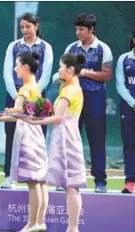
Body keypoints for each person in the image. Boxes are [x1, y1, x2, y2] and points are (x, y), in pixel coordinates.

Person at [0, 52, 48, 232]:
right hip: (37, 134)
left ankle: (32, 224)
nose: (15, 68)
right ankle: (39, 222)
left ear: (25, 67)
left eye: (17, 65)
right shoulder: (36, 87)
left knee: (33, 183)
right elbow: (25, 113)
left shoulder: (24, 90)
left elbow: (16, 116)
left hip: (27, 135)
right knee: (40, 182)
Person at [22, 53, 87, 232]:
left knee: (71, 186)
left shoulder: (69, 90)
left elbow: (57, 118)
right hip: (69, 137)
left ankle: (72, 228)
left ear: (70, 69)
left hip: (66, 139)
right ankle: (72, 228)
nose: (59, 70)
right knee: (71, 186)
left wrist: (34, 120)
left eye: (60, 67)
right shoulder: (73, 88)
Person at [53, 13, 113, 193]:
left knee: (96, 139)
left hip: (95, 97)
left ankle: (100, 181)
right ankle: (67, 179)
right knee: (69, 138)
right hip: (73, 97)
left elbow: (107, 75)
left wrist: (85, 73)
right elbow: (63, 71)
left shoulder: (103, 48)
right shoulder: (71, 48)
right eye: (76, 29)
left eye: (82, 29)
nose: (78, 32)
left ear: (92, 29)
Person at [2, 13, 53, 189]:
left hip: (37, 97)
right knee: (12, 135)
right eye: (22, 27)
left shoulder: (46, 47)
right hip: (15, 94)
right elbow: (7, 73)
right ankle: (9, 175)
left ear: (36, 26)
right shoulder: (14, 46)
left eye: (28, 27)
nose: (25, 30)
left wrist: (32, 95)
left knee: (38, 136)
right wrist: (18, 96)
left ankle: (40, 176)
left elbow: (46, 74)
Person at [116, 30, 135, 194]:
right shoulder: (124, 59)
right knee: (129, 144)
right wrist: (133, 102)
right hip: (128, 108)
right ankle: (130, 181)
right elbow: (120, 85)